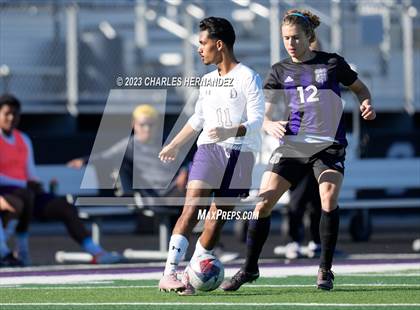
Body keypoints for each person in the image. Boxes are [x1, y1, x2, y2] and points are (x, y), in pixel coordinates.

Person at [221, 9, 376, 291]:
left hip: (328, 146)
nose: (290, 43)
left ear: (309, 37)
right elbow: (263, 113)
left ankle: (325, 269)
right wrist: (268, 124)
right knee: (263, 203)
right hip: (293, 145)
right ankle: (249, 268)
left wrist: (366, 103)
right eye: (285, 38)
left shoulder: (331, 63)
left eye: (295, 38)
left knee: (327, 199)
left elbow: (360, 89)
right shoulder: (279, 70)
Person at [157, 17, 264, 295]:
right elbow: (198, 118)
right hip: (208, 150)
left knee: (216, 218)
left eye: (203, 43)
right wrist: (175, 144)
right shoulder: (206, 81)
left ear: (220, 45)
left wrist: (230, 131)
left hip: (240, 155)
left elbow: (257, 120)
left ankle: (194, 269)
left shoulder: (248, 77)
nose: (199, 49)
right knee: (192, 208)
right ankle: (169, 273)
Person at [0, 94, 122, 265]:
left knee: (65, 208)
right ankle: (15, 251)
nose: (11, 118)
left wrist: (36, 186)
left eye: (15, 114)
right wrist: (23, 186)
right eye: (7, 113)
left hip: (25, 193)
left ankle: (97, 253)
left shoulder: (24, 139)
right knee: (19, 201)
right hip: (7, 193)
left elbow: (30, 173)